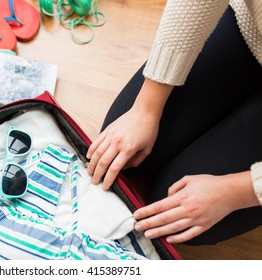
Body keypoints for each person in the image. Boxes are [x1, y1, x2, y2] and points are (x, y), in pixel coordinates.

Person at [86, 0, 262, 245]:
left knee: (172, 210)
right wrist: (146, 109)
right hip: (252, 30)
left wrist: (238, 191)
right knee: (124, 152)